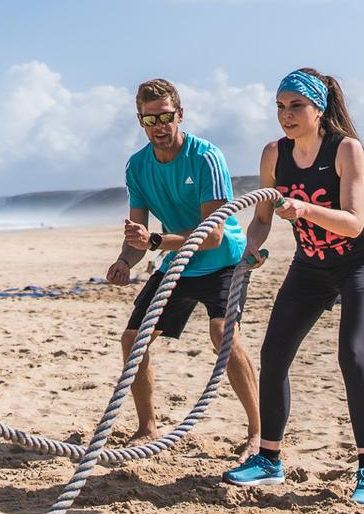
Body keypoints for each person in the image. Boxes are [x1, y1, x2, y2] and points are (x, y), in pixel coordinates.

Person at [225, 68, 364, 505]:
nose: (286, 115)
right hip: (311, 265)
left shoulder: (345, 150)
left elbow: (354, 223)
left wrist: (302, 208)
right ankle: (268, 461)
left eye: (296, 106)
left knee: (352, 354)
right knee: (273, 353)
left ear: (318, 107)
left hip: (361, 262)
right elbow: (261, 218)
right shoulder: (273, 154)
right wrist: (254, 250)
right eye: (280, 107)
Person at [104, 78, 259, 446]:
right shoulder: (137, 167)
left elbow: (214, 235)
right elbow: (138, 237)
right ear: (140, 120)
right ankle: (147, 427)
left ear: (180, 114)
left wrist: (156, 241)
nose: (158, 127)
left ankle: (258, 431)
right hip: (180, 262)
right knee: (132, 339)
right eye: (149, 120)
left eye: (165, 117)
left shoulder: (205, 157)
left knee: (223, 334)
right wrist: (125, 261)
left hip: (224, 261)